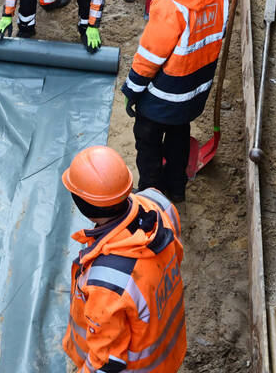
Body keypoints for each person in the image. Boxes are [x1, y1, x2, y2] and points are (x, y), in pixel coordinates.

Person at [121, 0, 228, 202]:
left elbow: (150, 57)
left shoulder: (170, 3)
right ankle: (177, 189)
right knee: (179, 135)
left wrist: (131, 90)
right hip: (197, 89)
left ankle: (150, 195)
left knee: (148, 142)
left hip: (164, 94)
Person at [61, 145, 186, 373]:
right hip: (168, 349)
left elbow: (107, 362)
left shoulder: (107, 282)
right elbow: (176, 257)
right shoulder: (157, 203)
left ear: (82, 204)